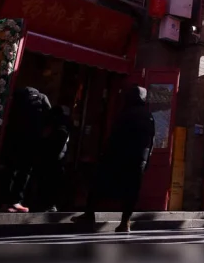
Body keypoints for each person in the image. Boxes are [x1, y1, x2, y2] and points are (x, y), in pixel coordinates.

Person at [73, 86, 155, 233]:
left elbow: (116, 137)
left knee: (98, 183)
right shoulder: (148, 116)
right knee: (131, 191)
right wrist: (146, 161)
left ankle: (89, 214)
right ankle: (125, 222)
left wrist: (105, 153)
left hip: (120, 157)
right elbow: (151, 141)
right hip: (138, 161)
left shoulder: (127, 113)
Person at [2, 87, 51, 212]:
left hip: (13, 137)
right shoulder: (42, 98)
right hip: (32, 140)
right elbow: (49, 118)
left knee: (10, 169)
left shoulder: (16, 97)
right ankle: (16, 201)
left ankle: (3, 200)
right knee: (24, 171)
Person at [34, 105, 71, 212]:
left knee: (48, 183)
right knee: (53, 183)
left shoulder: (56, 126)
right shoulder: (64, 126)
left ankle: (47, 204)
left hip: (52, 160)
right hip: (57, 160)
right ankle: (50, 204)